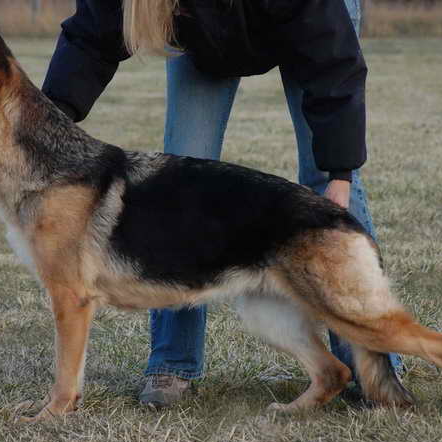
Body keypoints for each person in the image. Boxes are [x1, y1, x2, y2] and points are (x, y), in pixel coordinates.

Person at [42, 0, 403, 408]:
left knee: (330, 182)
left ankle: (374, 369)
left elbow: (333, 64)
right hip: (203, 33)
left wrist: (339, 172)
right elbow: (92, 34)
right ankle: (173, 363)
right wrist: (48, 119)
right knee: (177, 179)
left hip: (311, 22)